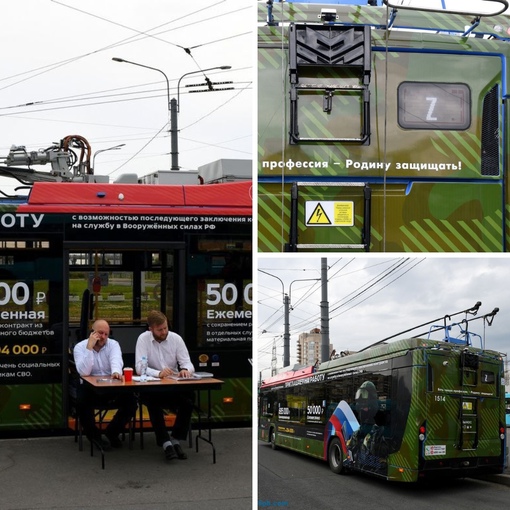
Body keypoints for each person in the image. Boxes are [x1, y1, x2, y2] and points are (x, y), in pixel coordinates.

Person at [135, 310, 195, 461]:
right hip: (153, 386)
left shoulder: (176, 339)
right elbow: (140, 367)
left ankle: (175, 439)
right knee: (153, 403)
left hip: (174, 385)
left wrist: (186, 370)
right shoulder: (143, 339)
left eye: (166, 328)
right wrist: (157, 373)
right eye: (160, 329)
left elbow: (187, 362)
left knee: (188, 400)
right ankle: (165, 443)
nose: (164, 332)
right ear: (151, 329)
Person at [73, 319, 137, 450]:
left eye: (106, 334)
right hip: (90, 389)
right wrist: (89, 348)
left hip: (110, 387)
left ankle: (112, 432)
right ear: (92, 332)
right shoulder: (80, 347)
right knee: (81, 402)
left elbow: (116, 360)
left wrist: (116, 372)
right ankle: (95, 437)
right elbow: (84, 372)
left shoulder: (113, 344)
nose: (103, 337)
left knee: (131, 401)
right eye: (100, 333)